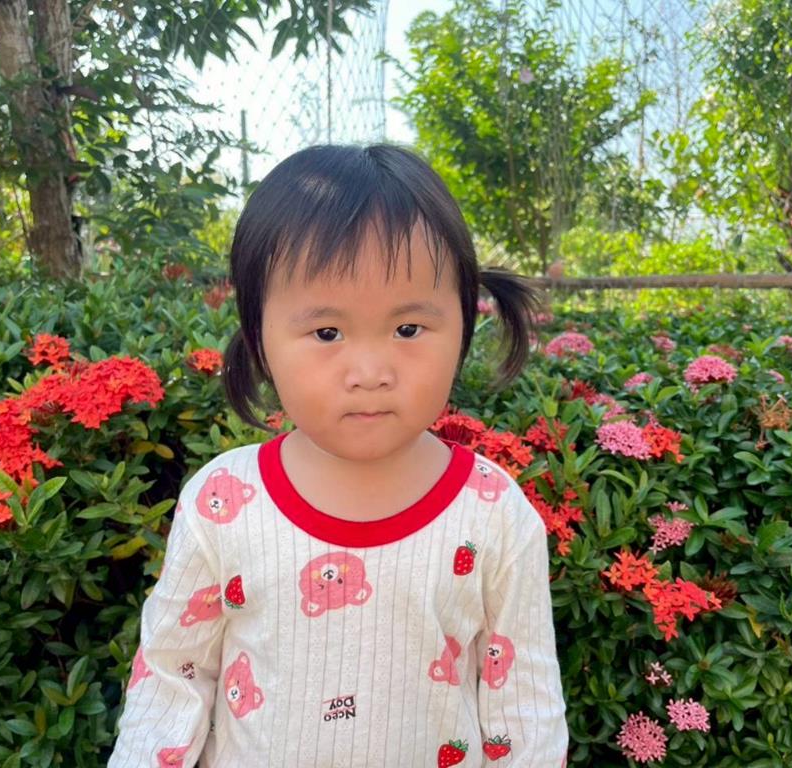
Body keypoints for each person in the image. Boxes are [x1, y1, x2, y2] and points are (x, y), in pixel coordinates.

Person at [107, 144, 568, 767]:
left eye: (408, 329)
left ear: (463, 326)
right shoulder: (224, 503)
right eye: (327, 332)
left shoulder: (493, 514)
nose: (371, 372)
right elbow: (171, 677)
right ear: (261, 340)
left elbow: (524, 706)